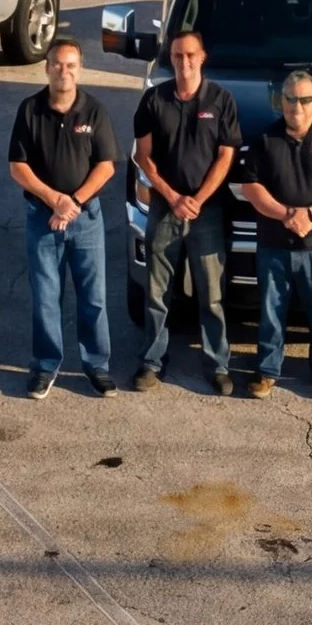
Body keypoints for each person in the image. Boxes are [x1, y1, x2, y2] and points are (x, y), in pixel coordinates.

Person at [7, 38, 122, 398]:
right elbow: (18, 167)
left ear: (79, 68)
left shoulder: (94, 111)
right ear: (47, 67)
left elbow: (106, 166)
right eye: (57, 64)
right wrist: (54, 200)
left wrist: (72, 203)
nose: (64, 71)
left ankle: (97, 366)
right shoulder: (30, 110)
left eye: (71, 65)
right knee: (45, 297)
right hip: (42, 220)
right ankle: (45, 366)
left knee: (93, 297)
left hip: (85, 219)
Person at [132, 30, 240, 393]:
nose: (184, 61)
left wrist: (198, 198)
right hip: (165, 208)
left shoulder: (221, 100)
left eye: (191, 54)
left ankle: (217, 364)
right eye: (178, 55)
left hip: (206, 211)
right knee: (157, 290)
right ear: (171, 58)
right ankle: (151, 362)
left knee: (212, 292)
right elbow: (142, 156)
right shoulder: (153, 100)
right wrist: (173, 196)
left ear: (202, 56)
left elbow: (227, 155)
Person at [241, 70, 312, 399]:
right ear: (281, 101)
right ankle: (267, 371)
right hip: (273, 245)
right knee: (271, 311)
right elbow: (251, 187)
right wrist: (287, 214)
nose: (297, 106)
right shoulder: (264, 140)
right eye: (291, 99)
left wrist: (309, 214)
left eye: (305, 99)